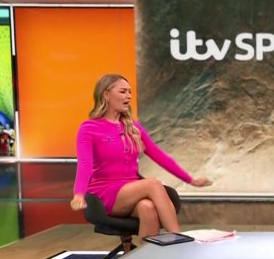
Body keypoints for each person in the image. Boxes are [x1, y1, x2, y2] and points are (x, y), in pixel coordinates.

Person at [70, 74, 213, 239]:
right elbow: (85, 164)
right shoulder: (89, 128)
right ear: (106, 95)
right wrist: (79, 194)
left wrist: (191, 180)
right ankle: (178, 240)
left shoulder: (133, 127)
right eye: (123, 92)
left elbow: (159, 155)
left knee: (147, 208)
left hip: (132, 188)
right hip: (106, 192)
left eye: (130, 92)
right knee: (153, 184)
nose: (129, 96)